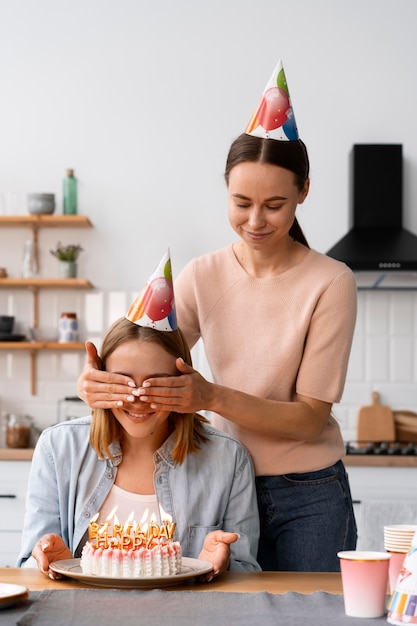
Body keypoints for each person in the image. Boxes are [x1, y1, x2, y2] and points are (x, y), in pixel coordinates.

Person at [76, 61, 358, 571]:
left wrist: (208, 396)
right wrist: (105, 383)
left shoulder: (331, 282)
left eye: (274, 204)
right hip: (220, 482)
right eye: (241, 202)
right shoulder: (203, 274)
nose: (255, 221)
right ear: (225, 189)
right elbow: (144, 353)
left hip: (308, 495)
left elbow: (309, 418)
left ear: (304, 192)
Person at [18, 315, 260, 578]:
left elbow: (246, 571)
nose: (137, 399)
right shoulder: (58, 448)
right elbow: (29, 565)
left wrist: (220, 568)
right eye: (123, 383)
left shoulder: (229, 460)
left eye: (155, 386)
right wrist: (53, 564)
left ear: (184, 383)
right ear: (100, 379)